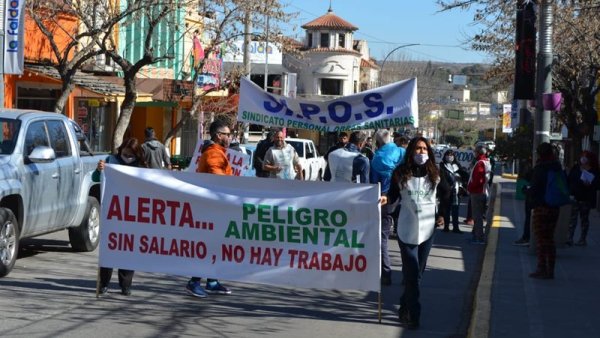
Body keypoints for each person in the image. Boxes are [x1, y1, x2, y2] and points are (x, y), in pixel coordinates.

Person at [387, 136, 440, 329]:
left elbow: (446, 192)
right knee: (411, 272)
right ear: (411, 151)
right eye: (418, 149)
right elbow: (393, 194)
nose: (422, 152)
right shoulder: (401, 173)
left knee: (417, 275)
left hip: (427, 229)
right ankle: (414, 314)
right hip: (407, 228)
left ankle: (404, 305)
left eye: (425, 149)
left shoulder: (435, 172)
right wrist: (386, 199)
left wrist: (441, 214)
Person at [94, 137, 148, 296]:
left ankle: (126, 285)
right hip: (113, 211)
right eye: (126, 153)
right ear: (121, 150)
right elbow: (95, 179)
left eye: (132, 155)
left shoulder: (141, 166)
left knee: (127, 249)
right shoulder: (111, 161)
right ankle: (103, 283)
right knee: (109, 248)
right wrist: (100, 170)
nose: (128, 157)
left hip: (132, 214)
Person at [187, 119, 233, 297]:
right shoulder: (214, 153)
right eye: (228, 134)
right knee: (208, 246)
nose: (230, 137)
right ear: (219, 136)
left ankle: (212, 281)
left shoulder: (218, 152)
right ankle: (194, 281)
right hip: (212, 208)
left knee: (215, 246)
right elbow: (218, 179)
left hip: (216, 207)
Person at [370, 129, 405, 286]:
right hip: (406, 199)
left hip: (386, 200)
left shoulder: (376, 159)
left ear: (377, 142)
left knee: (383, 238)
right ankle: (408, 273)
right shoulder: (402, 152)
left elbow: (373, 183)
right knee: (407, 239)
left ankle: (386, 272)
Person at [528, 142, 562, 279]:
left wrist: (528, 192)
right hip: (554, 206)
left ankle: (542, 268)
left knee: (541, 239)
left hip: (541, 207)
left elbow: (535, 188)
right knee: (550, 238)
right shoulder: (557, 166)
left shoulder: (541, 168)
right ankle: (551, 269)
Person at [566, 150, 600, 246]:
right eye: (582, 156)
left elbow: (596, 184)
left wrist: (589, 183)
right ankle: (570, 238)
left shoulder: (594, 170)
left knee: (584, 219)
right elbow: (570, 179)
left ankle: (582, 239)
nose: (583, 158)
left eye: (585, 156)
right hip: (575, 197)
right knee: (572, 218)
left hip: (586, 198)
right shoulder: (576, 168)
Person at [438, 149, 467, 233]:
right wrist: (447, 187)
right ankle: (446, 227)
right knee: (446, 210)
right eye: (448, 155)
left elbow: (464, 175)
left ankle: (456, 228)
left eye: (451, 155)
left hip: (456, 191)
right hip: (446, 191)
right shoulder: (442, 165)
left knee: (455, 210)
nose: (449, 156)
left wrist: (460, 177)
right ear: (445, 156)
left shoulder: (457, 165)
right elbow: (441, 178)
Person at [467, 145, 491, 244]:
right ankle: (476, 235)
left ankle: (479, 238)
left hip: (477, 192)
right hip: (482, 192)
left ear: (478, 152)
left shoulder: (480, 163)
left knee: (477, 216)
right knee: (478, 215)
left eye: (475, 151)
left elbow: (478, 180)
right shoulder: (486, 161)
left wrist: (470, 188)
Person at [514, 159, 534, 246]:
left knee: (529, 219)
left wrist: (527, 190)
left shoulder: (541, 169)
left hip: (535, 200)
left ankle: (527, 238)